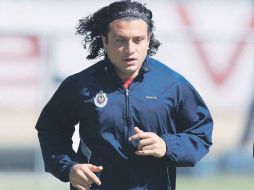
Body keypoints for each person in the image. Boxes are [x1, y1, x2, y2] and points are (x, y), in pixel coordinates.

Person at [35, 1, 213, 190]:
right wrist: (70, 167)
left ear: (148, 39)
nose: (130, 50)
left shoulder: (172, 84)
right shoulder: (79, 85)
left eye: (138, 40)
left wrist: (167, 146)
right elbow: (51, 130)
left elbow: (200, 133)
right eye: (121, 40)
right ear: (105, 40)